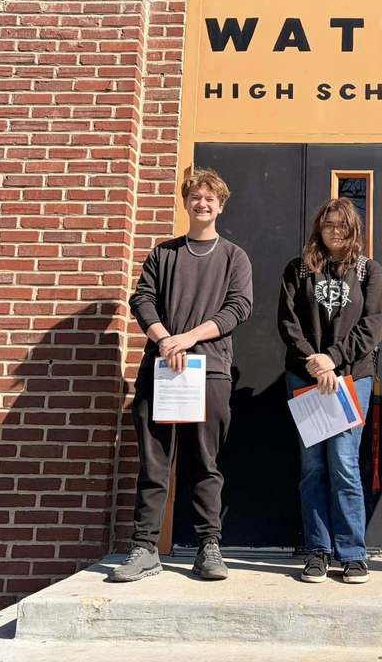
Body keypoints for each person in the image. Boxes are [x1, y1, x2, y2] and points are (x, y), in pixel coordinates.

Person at [111, 168, 252, 582]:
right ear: (186, 202)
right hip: (161, 369)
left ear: (220, 205)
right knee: (154, 462)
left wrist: (186, 339)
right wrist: (164, 338)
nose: (202, 204)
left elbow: (237, 308)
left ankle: (209, 546)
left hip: (208, 372)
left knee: (206, 463)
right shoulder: (163, 254)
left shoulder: (233, 257)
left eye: (210, 199)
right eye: (195, 197)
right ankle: (144, 548)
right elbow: (142, 299)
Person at [278, 198, 382, 584]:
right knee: (313, 467)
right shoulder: (299, 269)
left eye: (342, 224)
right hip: (305, 376)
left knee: (343, 461)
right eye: (328, 225)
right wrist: (313, 359)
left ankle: (353, 552)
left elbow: (374, 325)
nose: (335, 231)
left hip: (351, 377)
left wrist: (333, 359)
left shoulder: (368, 270)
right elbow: (289, 323)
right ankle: (317, 551)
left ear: (353, 227)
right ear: (318, 228)